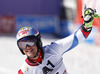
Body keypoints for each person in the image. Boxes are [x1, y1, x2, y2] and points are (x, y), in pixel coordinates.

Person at [16, 6, 97, 74]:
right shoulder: (24, 71)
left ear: (38, 42)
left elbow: (77, 38)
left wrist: (87, 24)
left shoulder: (54, 49)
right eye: (22, 45)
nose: (27, 47)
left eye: (30, 42)